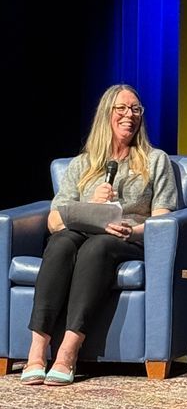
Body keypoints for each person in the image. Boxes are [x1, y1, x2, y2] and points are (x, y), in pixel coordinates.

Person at [21, 84, 178, 385]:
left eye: (135, 109)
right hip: (81, 231)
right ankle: (37, 351)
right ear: (106, 114)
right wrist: (89, 205)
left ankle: (68, 350)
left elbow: (162, 221)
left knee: (98, 248)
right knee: (61, 242)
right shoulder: (82, 164)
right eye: (121, 109)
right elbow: (55, 219)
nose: (129, 115)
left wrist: (131, 230)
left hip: (125, 239)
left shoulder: (155, 160)